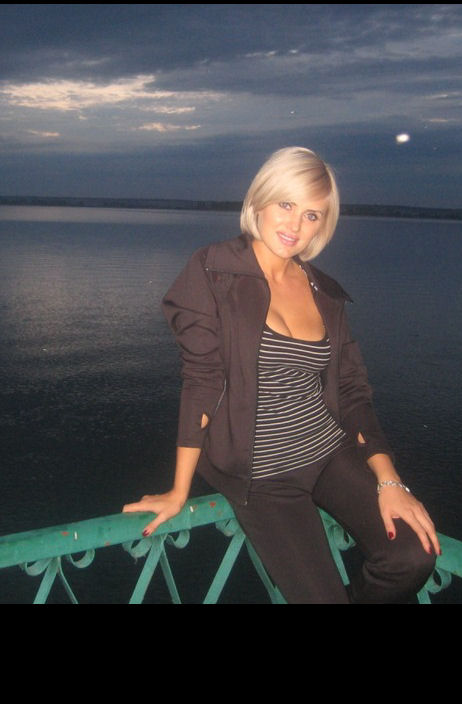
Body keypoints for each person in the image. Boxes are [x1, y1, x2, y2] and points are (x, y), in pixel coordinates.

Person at [123, 147, 439, 603]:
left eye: (312, 215)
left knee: (412, 555)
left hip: (328, 452)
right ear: (260, 200)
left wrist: (390, 483)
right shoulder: (212, 271)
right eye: (286, 204)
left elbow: (352, 391)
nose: (295, 225)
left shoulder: (323, 291)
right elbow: (202, 381)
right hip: (263, 476)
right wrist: (179, 489)